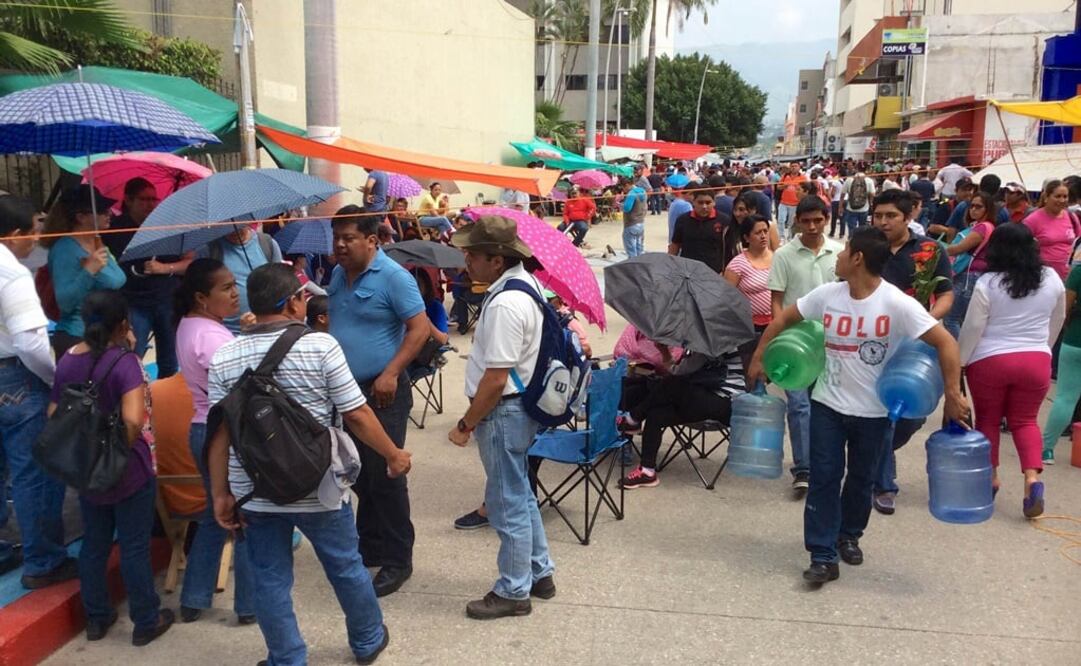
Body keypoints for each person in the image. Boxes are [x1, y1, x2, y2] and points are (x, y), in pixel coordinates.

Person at [206, 263, 411, 665]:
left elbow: (219, 436)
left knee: (268, 577)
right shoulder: (321, 346)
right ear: (293, 302)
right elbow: (356, 414)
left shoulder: (225, 356)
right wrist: (393, 454)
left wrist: (219, 494)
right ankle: (368, 639)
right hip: (320, 485)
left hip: (255, 489)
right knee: (345, 564)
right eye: (302, 296)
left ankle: (287, 658)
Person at [749, 226, 968, 585]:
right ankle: (822, 554)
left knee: (861, 480)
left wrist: (954, 394)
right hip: (828, 406)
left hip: (876, 412)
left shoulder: (896, 303)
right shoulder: (827, 295)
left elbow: (946, 343)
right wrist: (759, 356)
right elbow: (783, 319)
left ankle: (848, 535)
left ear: (858, 258)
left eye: (844, 250)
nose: (837, 256)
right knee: (824, 478)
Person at [446, 215, 556, 620]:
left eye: (472, 254)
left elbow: (495, 379)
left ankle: (513, 590)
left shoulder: (507, 302)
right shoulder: (524, 287)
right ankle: (539, 570)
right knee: (519, 493)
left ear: (496, 260)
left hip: (503, 411)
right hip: (515, 409)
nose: (466, 261)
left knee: (506, 501)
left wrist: (466, 423)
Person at [52, 291, 174, 644]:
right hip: (127, 467)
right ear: (123, 324)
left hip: (87, 468)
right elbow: (134, 419)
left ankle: (97, 617)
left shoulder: (68, 359)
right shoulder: (124, 362)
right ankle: (146, 620)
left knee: (94, 544)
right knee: (134, 546)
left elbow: (54, 414)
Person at [328, 206, 429, 598]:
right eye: (336, 237)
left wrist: (390, 372)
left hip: (382, 390)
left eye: (348, 238)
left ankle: (397, 559)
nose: (339, 245)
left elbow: (419, 329)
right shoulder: (337, 274)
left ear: (372, 240)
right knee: (358, 473)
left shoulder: (394, 277)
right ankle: (369, 545)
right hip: (343, 391)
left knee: (387, 472)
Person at [959, 223, 1064, 518]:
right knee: (1026, 421)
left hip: (990, 361)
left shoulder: (988, 283)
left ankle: (989, 478)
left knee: (988, 421)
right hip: (1035, 360)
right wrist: (1043, 347)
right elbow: (1058, 318)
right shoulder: (1052, 278)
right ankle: (1032, 480)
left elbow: (974, 327)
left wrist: (961, 360)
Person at [173, 258, 255, 625]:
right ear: (202, 297)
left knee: (214, 516)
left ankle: (193, 597)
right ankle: (250, 604)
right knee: (244, 515)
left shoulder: (193, 326)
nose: (235, 292)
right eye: (226, 288)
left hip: (203, 427)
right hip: (222, 432)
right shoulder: (209, 336)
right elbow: (242, 380)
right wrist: (251, 341)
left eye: (234, 285)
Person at [0, 196, 72, 589]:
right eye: (35, 230)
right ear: (14, 236)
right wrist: (55, 379)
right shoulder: (11, 274)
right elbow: (29, 343)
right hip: (14, 378)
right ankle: (42, 560)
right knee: (34, 471)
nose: (37, 239)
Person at [869, 190, 954, 513]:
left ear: (908, 217)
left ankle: (871, 457)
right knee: (882, 412)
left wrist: (925, 323)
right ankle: (883, 484)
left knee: (912, 416)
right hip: (875, 343)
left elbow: (946, 294)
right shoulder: (868, 247)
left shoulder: (930, 251)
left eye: (890, 216)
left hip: (916, 344)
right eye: (878, 215)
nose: (883, 222)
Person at [767, 196, 843, 497]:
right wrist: (778, 337)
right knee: (799, 406)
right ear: (797, 220)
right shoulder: (784, 255)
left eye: (818, 220)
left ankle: (824, 464)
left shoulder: (838, 252)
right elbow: (776, 299)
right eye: (806, 220)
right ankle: (803, 469)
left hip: (830, 343)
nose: (812, 226)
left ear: (826, 218)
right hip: (793, 343)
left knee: (825, 405)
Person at [101, 178, 190, 379]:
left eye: (153, 199)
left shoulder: (167, 227)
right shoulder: (114, 229)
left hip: (167, 301)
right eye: (144, 199)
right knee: (132, 358)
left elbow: (190, 262)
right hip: (133, 304)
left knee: (169, 361)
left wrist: (166, 268)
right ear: (129, 200)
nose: (150, 204)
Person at [618, 348, 745, 489]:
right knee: (656, 414)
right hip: (703, 399)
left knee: (674, 383)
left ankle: (633, 417)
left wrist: (664, 350)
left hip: (726, 402)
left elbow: (680, 371)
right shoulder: (702, 341)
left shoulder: (714, 342)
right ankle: (647, 471)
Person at [43, 185, 126, 357]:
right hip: (78, 338)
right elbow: (65, 302)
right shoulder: (64, 249)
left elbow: (117, 281)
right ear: (81, 217)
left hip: (108, 334)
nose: (109, 213)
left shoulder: (97, 242)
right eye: (102, 210)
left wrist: (125, 327)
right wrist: (89, 271)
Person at [200, 223, 282, 334]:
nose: (234, 231)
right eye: (228, 227)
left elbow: (281, 284)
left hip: (267, 328)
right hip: (226, 332)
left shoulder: (267, 243)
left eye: (240, 226)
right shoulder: (211, 250)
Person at [1042, 260, 1081, 465]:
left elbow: (1064, 308)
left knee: (1066, 398)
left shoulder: (1079, 272)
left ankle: (1047, 449)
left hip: (1076, 340)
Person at [943, 192, 997, 338]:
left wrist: (938, 249)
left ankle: (957, 354)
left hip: (969, 276)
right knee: (962, 318)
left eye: (978, 207)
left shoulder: (982, 228)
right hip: (975, 275)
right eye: (971, 206)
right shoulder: (988, 226)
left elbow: (959, 248)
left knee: (950, 318)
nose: (973, 209)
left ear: (987, 209)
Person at [669, 188, 740, 273]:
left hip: (715, 272)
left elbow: (730, 248)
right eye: (700, 202)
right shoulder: (683, 220)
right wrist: (669, 266)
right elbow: (675, 245)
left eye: (708, 202)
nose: (704, 206)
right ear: (693, 202)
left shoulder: (724, 220)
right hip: (688, 272)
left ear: (714, 202)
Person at [724, 215, 774, 333]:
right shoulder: (737, 264)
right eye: (758, 233)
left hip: (776, 322)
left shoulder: (778, 258)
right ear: (746, 238)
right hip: (749, 326)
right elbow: (727, 298)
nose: (763, 236)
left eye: (765, 231)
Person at [1024, 179, 1078, 281]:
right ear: (1046, 197)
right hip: (1042, 278)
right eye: (1057, 196)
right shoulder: (1032, 220)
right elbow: (1021, 246)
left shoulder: (1072, 217)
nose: (1062, 200)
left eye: (1065, 196)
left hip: (1068, 277)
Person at [841, 169, 875, 237]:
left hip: (851, 208)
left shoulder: (849, 180)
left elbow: (842, 194)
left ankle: (851, 241)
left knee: (851, 228)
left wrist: (840, 206)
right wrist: (870, 203)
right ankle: (860, 242)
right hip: (864, 209)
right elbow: (873, 194)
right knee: (862, 228)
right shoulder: (869, 181)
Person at [777, 164, 806, 238]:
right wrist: (784, 186)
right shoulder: (785, 176)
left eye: (796, 166)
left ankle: (790, 237)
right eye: (792, 166)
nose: (793, 167)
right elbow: (778, 187)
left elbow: (806, 189)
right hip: (783, 202)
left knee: (791, 222)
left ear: (799, 167)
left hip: (795, 204)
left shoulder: (803, 177)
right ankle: (781, 237)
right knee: (781, 220)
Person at [620, 176, 647, 257]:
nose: (623, 190)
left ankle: (633, 267)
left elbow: (627, 208)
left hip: (631, 224)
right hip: (640, 223)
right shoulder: (643, 191)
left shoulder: (631, 194)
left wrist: (619, 204)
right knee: (639, 248)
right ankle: (639, 265)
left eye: (623, 187)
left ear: (627, 185)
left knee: (631, 250)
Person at [829, 173, 845, 239]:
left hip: (836, 200)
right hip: (843, 200)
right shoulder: (843, 182)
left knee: (834, 218)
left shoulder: (835, 182)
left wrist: (831, 196)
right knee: (842, 218)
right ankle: (841, 234)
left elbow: (833, 192)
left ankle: (832, 232)